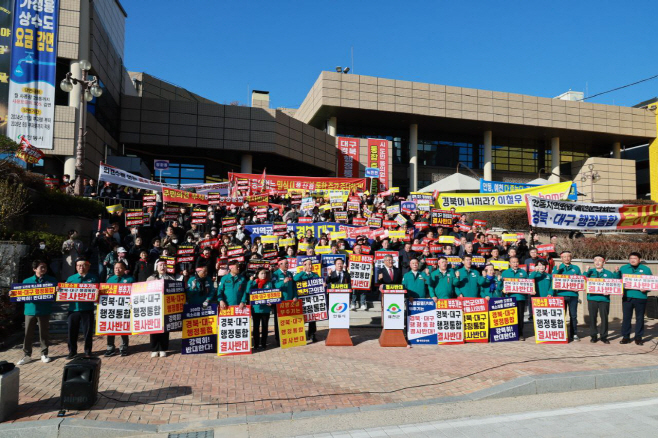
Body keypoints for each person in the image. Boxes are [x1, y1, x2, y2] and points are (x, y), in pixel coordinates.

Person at [17, 260, 56, 365]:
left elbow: (57, 294)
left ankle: (44, 354)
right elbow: (20, 294)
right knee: (28, 334)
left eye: (45, 267)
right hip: (30, 310)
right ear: (34, 269)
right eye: (41, 267)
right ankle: (27, 355)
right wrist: (13, 293)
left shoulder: (51, 280)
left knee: (44, 333)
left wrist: (58, 290)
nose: (44, 269)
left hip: (44, 310)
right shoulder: (26, 281)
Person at [64, 257, 99, 359]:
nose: (81, 267)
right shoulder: (71, 278)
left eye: (83, 265)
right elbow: (64, 293)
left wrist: (97, 292)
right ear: (76, 267)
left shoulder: (94, 278)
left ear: (88, 266)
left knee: (87, 332)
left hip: (87, 309)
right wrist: (60, 289)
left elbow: (98, 292)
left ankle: (88, 351)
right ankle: (72, 352)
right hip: (73, 309)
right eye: (79, 265)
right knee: (71, 332)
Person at [618, 252, 653, 345]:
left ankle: (638, 337)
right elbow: (617, 281)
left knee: (640, 318)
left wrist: (647, 289)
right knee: (626, 318)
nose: (632, 260)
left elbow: (651, 283)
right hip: (627, 297)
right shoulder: (623, 268)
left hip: (641, 297)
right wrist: (616, 272)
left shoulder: (646, 269)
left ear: (639, 260)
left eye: (635, 258)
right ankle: (626, 337)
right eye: (631, 258)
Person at [104, 261, 134, 357]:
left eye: (120, 267)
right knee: (110, 327)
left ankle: (124, 347)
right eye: (115, 268)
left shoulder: (130, 279)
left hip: (124, 308)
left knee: (124, 328)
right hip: (111, 308)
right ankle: (110, 347)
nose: (117, 269)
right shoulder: (110, 279)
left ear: (124, 269)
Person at [584, 255, 616, 344]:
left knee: (604, 318)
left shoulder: (609, 273)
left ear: (604, 262)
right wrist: (586, 271)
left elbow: (615, 285)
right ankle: (593, 336)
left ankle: (604, 336)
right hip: (592, 298)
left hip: (604, 299)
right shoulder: (589, 272)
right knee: (592, 318)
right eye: (595, 260)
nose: (597, 262)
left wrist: (609, 291)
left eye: (600, 260)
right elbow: (582, 281)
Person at [147, 259, 175, 357]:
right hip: (153, 308)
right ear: (156, 267)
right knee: (154, 328)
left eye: (164, 265)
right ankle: (154, 349)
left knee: (164, 329)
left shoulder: (170, 279)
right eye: (160, 265)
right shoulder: (150, 278)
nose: (162, 267)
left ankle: (163, 348)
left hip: (165, 307)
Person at [500, 256, 531, 341]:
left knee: (520, 316)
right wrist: (503, 290)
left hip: (520, 297)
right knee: (510, 317)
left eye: (516, 262)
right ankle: (511, 334)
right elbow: (501, 285)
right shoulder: (505, 273)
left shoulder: (523, 272)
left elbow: (528, 284)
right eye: (513, 262)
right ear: (510, 264)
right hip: (509, 298)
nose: (515, 264)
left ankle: (520, 334)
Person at [554, 251, 582, 342]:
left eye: (568, 256)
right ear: (561, 258)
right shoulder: (557, 267)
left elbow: (581, 281)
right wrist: (557, 270)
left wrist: (578, 287)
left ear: (571, 258)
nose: (566, 258)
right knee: (561, 315)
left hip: (573, 295)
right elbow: (552, 279)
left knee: (573, 316)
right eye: (564, 257)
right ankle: (561, 334)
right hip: (560, 295)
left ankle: (574, 334)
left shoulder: (576, 268)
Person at [271, 258, 298, 346]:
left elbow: (294, 286)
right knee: (279, 321)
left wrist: (295, 296)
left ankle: (289, 337)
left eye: (288, 263)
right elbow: (274, 286)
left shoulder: (290, 273)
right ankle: (278, 339)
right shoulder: (275, 274)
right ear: (280, 264)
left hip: (289, 301)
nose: (287, 265)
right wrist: (283, 282)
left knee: (289, 320)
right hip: (280, 301)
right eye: (285, 264)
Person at [246, 268, 274, 350]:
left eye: (265, 273)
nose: (264, 275)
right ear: (257, 275)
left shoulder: (269, 283)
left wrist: (271, 302)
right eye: (262, 273)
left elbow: (272, 294)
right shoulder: (254, 283)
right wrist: (252, 281)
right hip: (256, 308)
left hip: (266, 309)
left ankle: (264, 343)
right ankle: (256, 344)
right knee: (256, 327)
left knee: (265, 326)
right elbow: (248, 290)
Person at [294, 259, 320, 343]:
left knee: (312, 318)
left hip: (312, 300)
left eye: (310, 264)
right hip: (302, 300)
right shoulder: (300, 275)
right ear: (304, 265)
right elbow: (294, 279)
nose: (310, 266)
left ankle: (312, 334)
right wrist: (302, 272)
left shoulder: (315, 275)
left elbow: (319, 282)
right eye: (308, 264)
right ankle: (300, 335)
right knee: (302, 318)